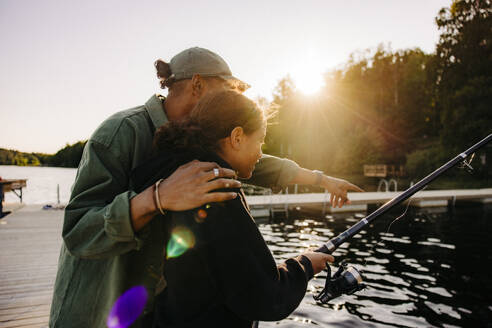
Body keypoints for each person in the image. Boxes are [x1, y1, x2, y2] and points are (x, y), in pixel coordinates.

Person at [49, 47, 362, 328]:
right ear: (198, 85)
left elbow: (256, 161)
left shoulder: (202, 146)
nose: (234, 100)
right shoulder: (121, 132)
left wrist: (322, 180)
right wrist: (157, 197)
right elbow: (78, 230)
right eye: (228, 90)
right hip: (96, 313)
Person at [131, 90, 334, 327]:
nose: (260, 153)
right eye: (259, 140)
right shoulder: (218, 190)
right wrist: (306, 265)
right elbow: (265, 296)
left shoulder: (170, 173)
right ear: (237, 137)